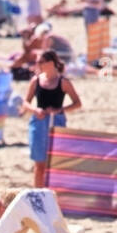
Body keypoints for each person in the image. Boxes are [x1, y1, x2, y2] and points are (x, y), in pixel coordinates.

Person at [26, 50, 81, 187]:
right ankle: (38, 194)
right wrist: (35, 110)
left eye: (40, 62)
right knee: (39, 164)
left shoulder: (63, 82)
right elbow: (25, 102)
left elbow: (77, 103)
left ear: (51, 63)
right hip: (38, 123)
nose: (38, 64)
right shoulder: (36, 81)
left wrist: (60, 110)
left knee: (56, 163)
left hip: (56, 123)